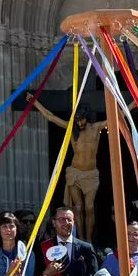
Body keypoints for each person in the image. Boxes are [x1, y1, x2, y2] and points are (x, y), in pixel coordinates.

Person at [32, 102, 109, 241]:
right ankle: (81, 238)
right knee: (78, 207)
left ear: (87, 118)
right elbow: (50, 117)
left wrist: (132, 105)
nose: (79, 123)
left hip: (90, 174)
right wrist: (36, 103)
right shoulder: (72, 128)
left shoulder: (96, 127)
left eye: (81, 120)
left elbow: (116, 117)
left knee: (89, 207)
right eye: (77, 120)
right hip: (75, 173)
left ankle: (89, 240)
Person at [38, 206, 97, 276]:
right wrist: (46, 274)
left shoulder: (86, 248)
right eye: (61, 220)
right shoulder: (43, 248)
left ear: (73, 222)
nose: (66, 223)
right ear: (54, 223)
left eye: (69, 219)